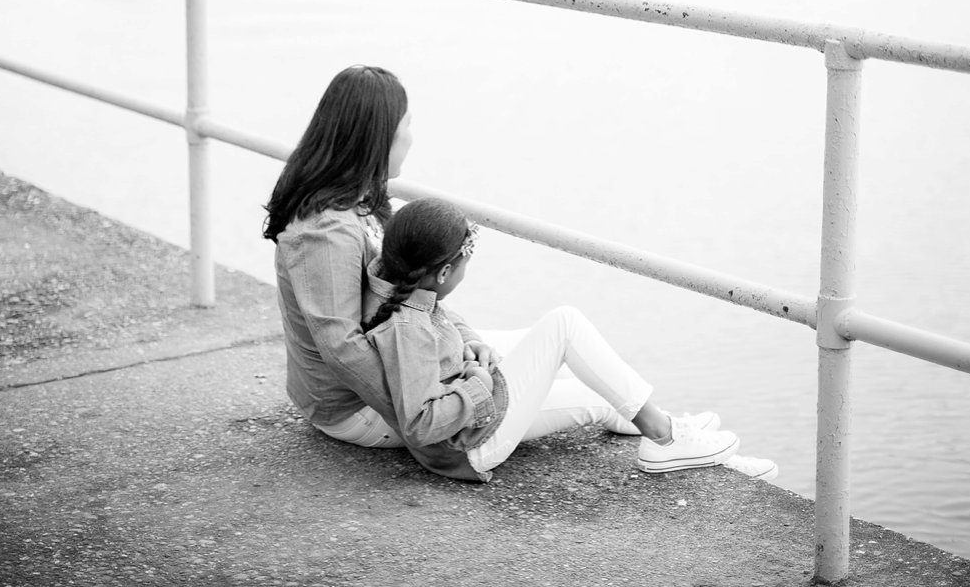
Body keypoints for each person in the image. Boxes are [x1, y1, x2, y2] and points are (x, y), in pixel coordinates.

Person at [263, 65, 755, 475]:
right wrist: (435, 415)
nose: (411, 139)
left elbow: (410, 299)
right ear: (375, 139)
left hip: (403, 372)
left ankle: (679, 434)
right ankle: (667, 437)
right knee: (565, 336)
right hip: (362, 409)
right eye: (405, 127)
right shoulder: (325, 232)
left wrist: (467, 341)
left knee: (567, 363)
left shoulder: (359, 206)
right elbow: (341, 347)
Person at [359, 198, 755, 481]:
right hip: (470, 446)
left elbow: (438, 317)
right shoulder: (406, 330)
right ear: (444, 273)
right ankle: (665, 439)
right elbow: (421, 425)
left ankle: (672, 429)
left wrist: (467, 340)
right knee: (565, 325)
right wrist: (479, 385)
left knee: (594, 386)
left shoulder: (397, 280)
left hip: (475, 421)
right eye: (463, 268)